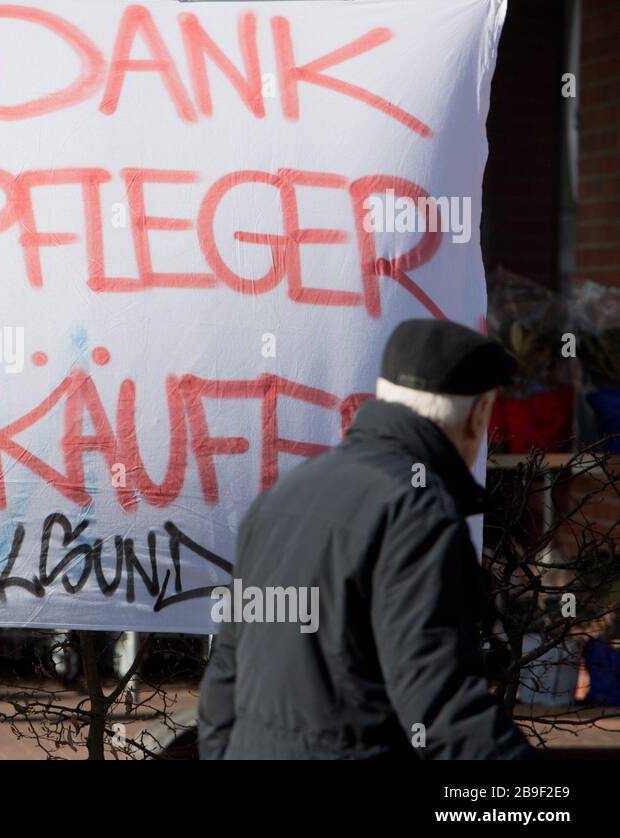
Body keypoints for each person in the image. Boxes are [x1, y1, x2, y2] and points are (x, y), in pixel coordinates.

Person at [198, 319, 534, 759]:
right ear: (478, 415)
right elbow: (441, 703)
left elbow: (226, 673)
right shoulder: (419, 515)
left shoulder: (281, 497)